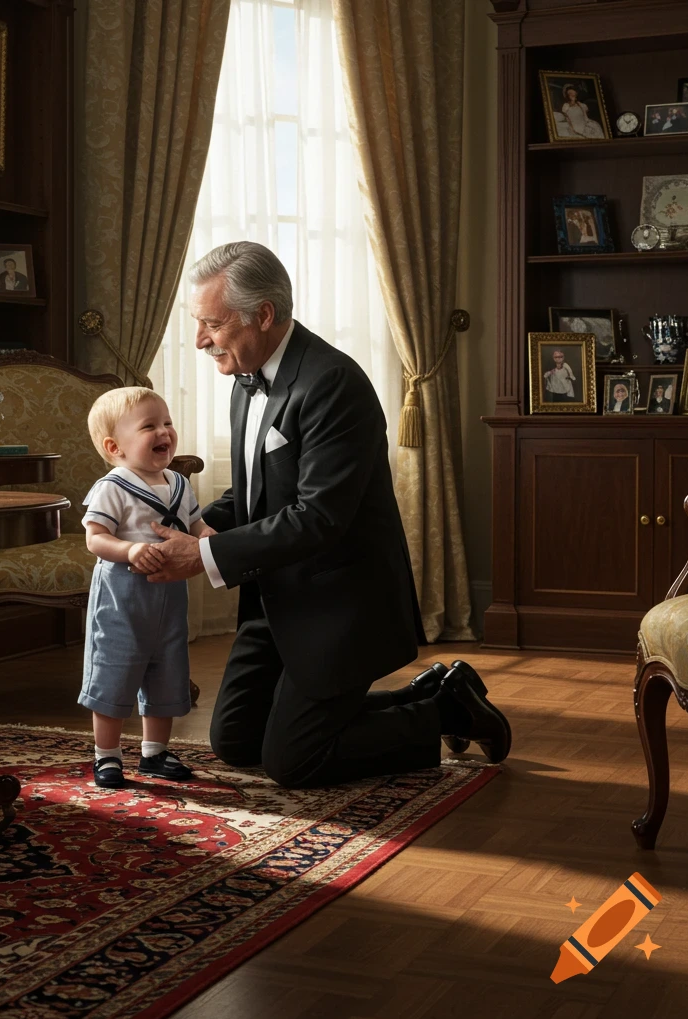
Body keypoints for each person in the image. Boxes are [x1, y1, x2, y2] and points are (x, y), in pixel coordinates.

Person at [135, 241, 510, 787]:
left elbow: (319, 517)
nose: (199, 340)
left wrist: (205, 554)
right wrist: (175, 518)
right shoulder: (246, 377)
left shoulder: (334, 383)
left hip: (342, 604)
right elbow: (254, 495)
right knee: (238, 743)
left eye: (211, 324)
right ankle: (436, 692)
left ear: (262, 315)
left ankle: (444, 713)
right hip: (278, 594)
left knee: (294, 761)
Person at [79, 387, 213, 788]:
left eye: (168, 423)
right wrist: (130, 548)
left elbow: (195, 525)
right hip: (122, 595)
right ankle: (107, 756)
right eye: (149, 426)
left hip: (169, 595)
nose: (165, 432)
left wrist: (207, 535)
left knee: (167, 669)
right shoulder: (113, 487)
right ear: (114, 446)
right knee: (115, 670)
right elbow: (95, 538)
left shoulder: (178, 484)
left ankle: (154, 753)